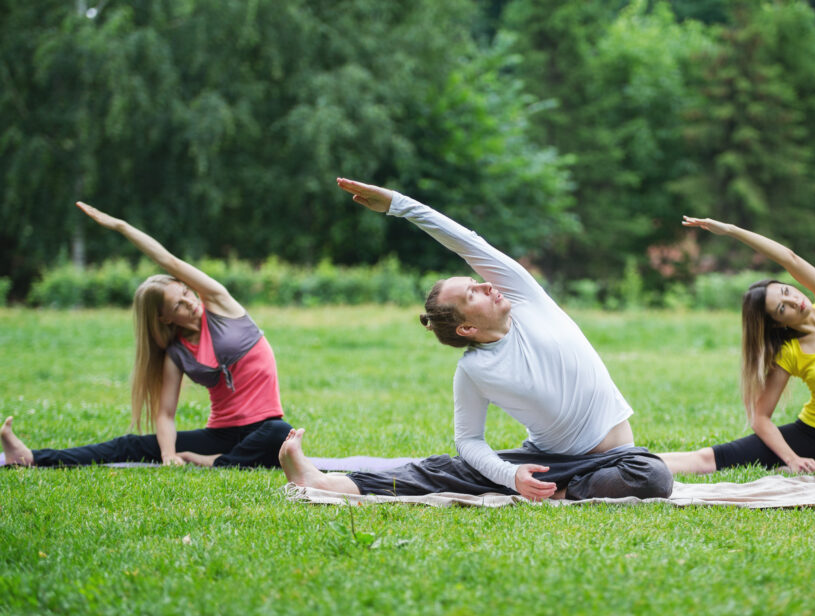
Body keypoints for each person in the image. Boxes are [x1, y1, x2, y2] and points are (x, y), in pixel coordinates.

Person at [278, 178, 674, 501]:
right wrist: (511, 473)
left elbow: (468, 242)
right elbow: (469, 440)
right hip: (548, 461)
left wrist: (398, 204)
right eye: (472, 294)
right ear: (466, 328)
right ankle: (326, 483)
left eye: (476, 283)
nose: (486, 286)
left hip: (617, 459)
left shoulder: (525, 298)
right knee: (441, 470)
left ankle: (560, 491)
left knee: (652, 475)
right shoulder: (474, 369)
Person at [1, 202, 290, 468]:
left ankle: (214, 462)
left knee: (281, 433)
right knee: (130, 444)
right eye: (179, 304)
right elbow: (165, 414)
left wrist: (122, 227)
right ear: (164, 317)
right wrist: (167, 454)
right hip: (222, 433)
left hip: (264, 427)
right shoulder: (176, 353)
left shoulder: (220, 304)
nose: (191, 302)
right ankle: (29, 458)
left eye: (187, 292)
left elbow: (170, 261)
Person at [659, 216, 815, 476]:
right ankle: (626, 460)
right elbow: (760, 418)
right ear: (778, 324)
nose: (793, 301)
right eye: (782, 308)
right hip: (813, 435)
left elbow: (789, 258)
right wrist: (792, 458)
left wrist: (732, 230)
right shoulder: (789, 352)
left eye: (786, 292)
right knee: (709, 459)